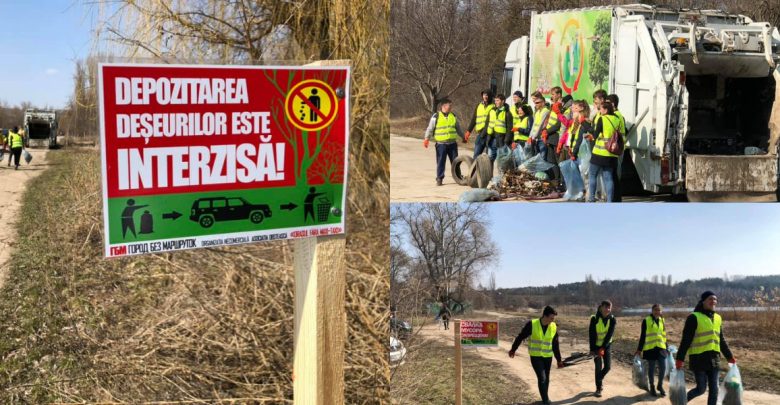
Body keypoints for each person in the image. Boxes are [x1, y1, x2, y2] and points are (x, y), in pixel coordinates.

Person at [675, 291, 736, 405]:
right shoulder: (694, 317)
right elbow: (686, 340)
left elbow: (721, 340)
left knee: (714, 389)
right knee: (701, 389)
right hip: (699, 359)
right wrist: (680, 359)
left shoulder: (718, 318)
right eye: (710, 299)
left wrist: (730, 357)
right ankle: (681, 402)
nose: (713, 301)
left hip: (714, 359)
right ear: (703, 301)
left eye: (715, 299)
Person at [509, 306, 564, 405]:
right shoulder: (532, 324)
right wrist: (513, 349)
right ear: (545, 316)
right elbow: (520, 336)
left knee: (546, 378)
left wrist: (559, 360)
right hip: (536, 356)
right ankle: (546, 401)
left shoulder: (553, 326)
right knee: (542, 378)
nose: (553, 320)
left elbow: (555, 345)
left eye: (553, 319)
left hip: (548, 356)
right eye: (551, 318)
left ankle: (545, 397)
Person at [584, 101, 621, 202]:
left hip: (599, 153)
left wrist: (589, 136)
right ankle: (609, 201)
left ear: (605, 110)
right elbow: (621, 133)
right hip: (612, 154)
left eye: (600, 109)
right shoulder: (617, 119)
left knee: (592, 175)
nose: (599, 111)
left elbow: (595, 135)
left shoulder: (602, 119)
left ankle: (591, 198)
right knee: (608, 178)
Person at [423, 99, 465, 186]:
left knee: (455, 162)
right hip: (441, 144)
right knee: (441, 162)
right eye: (449, 105)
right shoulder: (436, 116)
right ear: (443, 106)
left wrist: (463, 137)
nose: (451, 107)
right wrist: (426, 138)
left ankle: (458, 177)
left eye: (451, 105)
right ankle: (439, 178)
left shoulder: (453, 116)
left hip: (452, 144)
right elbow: (430, 128)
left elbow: (458, 128)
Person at [560, 100, 591, 201]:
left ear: (581, 110)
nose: (572, 110)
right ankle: (574, 190)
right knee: (568, 168)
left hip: (581, 154)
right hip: (574, 151)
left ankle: (582, 191)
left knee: (583, 174)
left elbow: (579, 140)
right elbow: (571, 136)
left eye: (575, 108)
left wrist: (574, 152)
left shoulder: (584, 122)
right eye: (572, 108)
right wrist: (568, 147)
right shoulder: (575, 123)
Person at [635, 304, 668, 397]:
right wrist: (639, 349)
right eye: (655, 310)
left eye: (659, 310)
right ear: (652, 311)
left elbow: (664, 335)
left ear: (661, 311)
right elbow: (643, 336)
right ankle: (652, 386)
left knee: (663, 367)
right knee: (651, 369)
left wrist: (667, 346)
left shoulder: (662, 320)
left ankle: (660, 386)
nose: (657, 312)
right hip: (650, 348)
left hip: (661, 348)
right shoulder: (646, 320)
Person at [589, 300, 616, 398]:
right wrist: (592, 349)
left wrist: (603, 348)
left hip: (606, 346)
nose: (608, 310)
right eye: (606, 307)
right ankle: (598, 388)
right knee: (598, 367)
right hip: (596, 347)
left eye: (609, 308)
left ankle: (599, 379)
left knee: (608, 367)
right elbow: (591, 335)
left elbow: (609, 335)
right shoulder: (594, 318)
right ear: (601, 307)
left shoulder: (612, 319)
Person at [606, 94, 626, 202]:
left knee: (615, 174)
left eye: (607, 103)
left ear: (612, 104)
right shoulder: (618, 115)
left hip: (616, 148)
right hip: (618, 147)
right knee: (614, 174)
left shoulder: (616, 116)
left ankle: (616, 198)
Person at [468, 89, 495, 160]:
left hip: (489, 135)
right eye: (484, 95)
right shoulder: (479, 105)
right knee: (476, 155)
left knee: (489, 158)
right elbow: (474, 119)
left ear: (490, 96)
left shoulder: (494, 106)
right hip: (480, 134)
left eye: (487, 95)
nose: (485, 97)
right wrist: (468, 131)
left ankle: (488, 171)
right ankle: (475, 170)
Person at [486, 94, 513, 162]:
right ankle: (489, 173)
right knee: (489, 159)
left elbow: (509, 129)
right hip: (491, 139)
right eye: (495, 100)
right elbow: (487, 124)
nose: (496, 102)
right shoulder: (492, 111)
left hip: (501, 141)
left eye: (497, 100)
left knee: (501, 161)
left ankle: (501, 173)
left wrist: (506, 141)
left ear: (503, 101)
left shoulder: (507, 113)